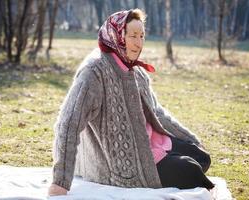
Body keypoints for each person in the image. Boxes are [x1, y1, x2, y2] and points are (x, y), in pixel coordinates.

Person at [48, 9, 214, 197]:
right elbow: (68, 124)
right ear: (117, 35)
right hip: (121, 162)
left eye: (142, 36)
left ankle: (169, 159)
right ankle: (171, 164)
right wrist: (60, 181)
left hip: (149, 141)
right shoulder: (94, 72)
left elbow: (157, 113)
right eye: (133, 35)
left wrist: (189, 137)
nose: (138, 42)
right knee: (191, 171)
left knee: (202, 157)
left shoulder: (135, 69)